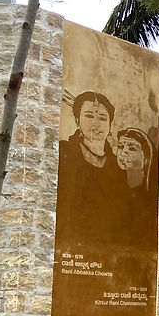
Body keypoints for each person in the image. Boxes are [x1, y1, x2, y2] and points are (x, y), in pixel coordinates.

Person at [57, 91, 129, 247]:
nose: (96, 124)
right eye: (89, 116)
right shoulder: (63, 153)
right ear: (77, 121)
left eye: (103, 118)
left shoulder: (118, 168)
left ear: (110, 125)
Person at [115, 127, 157, 248]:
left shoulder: (149, 196)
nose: (123, 152)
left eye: (132, 148)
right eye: (120, 146)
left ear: (146, 158)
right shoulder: (114, 190)